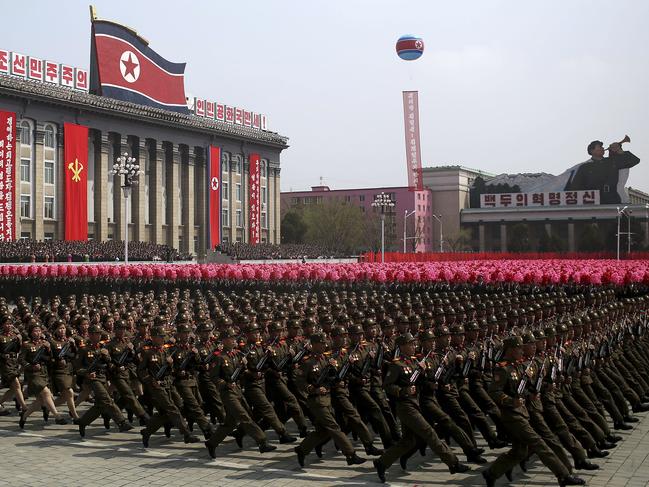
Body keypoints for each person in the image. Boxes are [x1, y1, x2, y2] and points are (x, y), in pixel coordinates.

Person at [482, 335, 585, 487]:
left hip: (522, 412)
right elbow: (494, 392)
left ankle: (491, 473)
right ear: (510, 350)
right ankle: (563, 475)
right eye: (518, 348)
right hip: (511, 415)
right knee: (539, 443)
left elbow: (528, 386)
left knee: (520, 452)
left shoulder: (519, 365)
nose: (521, 350)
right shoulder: (502, 369)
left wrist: (536, 391)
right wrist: (511, 401)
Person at [373, 333, 470, 483]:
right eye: (410, 344)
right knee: (430, 433)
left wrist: (424, 372)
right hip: (405, 406)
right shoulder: (396, 365)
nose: (413, 346)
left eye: (413, 344)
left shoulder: (415, 362)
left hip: (415, 403)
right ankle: (453, 463)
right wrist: (402, 391)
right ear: (402, 347)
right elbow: (387, 386)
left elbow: (424, 381)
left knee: (408, 441)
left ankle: (381, 462)